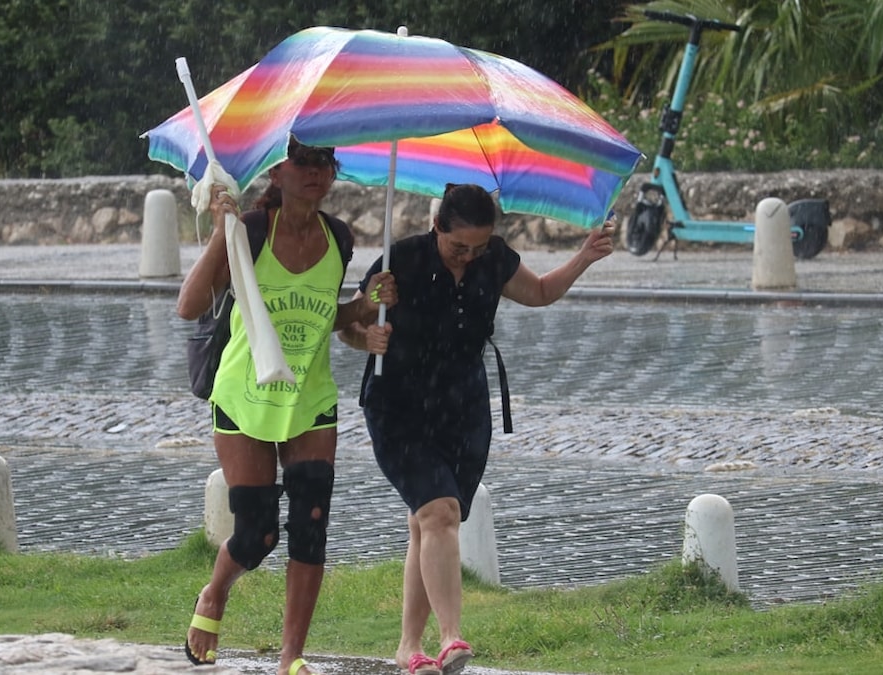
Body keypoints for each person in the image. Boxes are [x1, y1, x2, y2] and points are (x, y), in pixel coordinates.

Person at [339, 183, 616, 675]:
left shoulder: (495, 259)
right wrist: (369, 338)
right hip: (399, 405)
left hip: (463, 407)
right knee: (439, 512)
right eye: (458, 247)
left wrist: (585, 256)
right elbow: (348, 327)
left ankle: (408, 646)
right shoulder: (400, 258)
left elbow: (540, 292)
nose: (468, 257)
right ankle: (450, 637)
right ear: (437, 227)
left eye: (479, 247)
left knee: (428, 522)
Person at [176, 137, 396, 675]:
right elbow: (189, 306)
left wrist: (365, 307)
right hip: (245, 397)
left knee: (311, 524)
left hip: (310, 400)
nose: (316, 172)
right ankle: (215, 593)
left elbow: (326, 316)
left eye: (325, 163)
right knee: (258, 535)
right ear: (277, 172)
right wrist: (222, 234)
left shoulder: (338, 237)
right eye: (303, 162)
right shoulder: (251, 230)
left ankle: (291, 656)